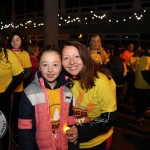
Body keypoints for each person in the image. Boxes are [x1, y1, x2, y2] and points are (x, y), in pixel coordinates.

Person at [18, 45, 77, 150]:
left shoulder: (67, 92)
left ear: (61, 67)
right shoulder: (30, 93)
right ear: (39, 67)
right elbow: (24, 128)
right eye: (45, 65)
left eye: (55, 65)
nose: (50, 69)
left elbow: (71, 123)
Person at [61, 41, 117, 150]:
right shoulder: (62, 80)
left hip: (97, 141)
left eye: (76, 56)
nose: (72, 62)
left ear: (85, 57)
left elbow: (109, 118)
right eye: (66, 58)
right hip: (70, 142)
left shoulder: (100, 81)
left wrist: (80, 131)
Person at [0, 32, 23, 150]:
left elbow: (19, 75)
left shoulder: (8, 54)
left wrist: (6, 93)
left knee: (4, 126)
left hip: (4, 96)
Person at [8, 31, 32, 146]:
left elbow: (29, 71)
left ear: (21, 41)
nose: (15, 42)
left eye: (17, 39)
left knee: (17, 114)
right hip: (6, 89)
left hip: (19, 89)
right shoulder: (6, 53)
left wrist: (18, 78)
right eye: (13, 40)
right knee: (8, 114)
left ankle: (16, 136)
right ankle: (7, 135)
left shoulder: (25, 54)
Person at [134, 46, 150, 126]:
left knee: (143, 103)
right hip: (141, 85)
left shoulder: (147, 57)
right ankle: (138, 119)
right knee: (140, 103)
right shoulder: (145, 57)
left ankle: (142, 118)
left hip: (145, 85)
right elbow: (145, 72)